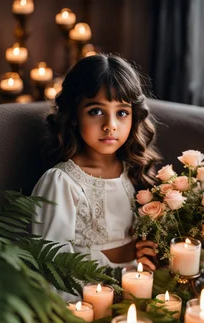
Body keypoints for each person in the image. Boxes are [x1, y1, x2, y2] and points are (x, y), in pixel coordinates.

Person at [32, 53, 160, 273]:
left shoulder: (131, 169)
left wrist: (141, 251)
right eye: (96, 111)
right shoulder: (62, 183)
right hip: (82, 296)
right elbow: (52, 268)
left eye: (121, 113)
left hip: (134, 283)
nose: (110, 125)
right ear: (73, 116)